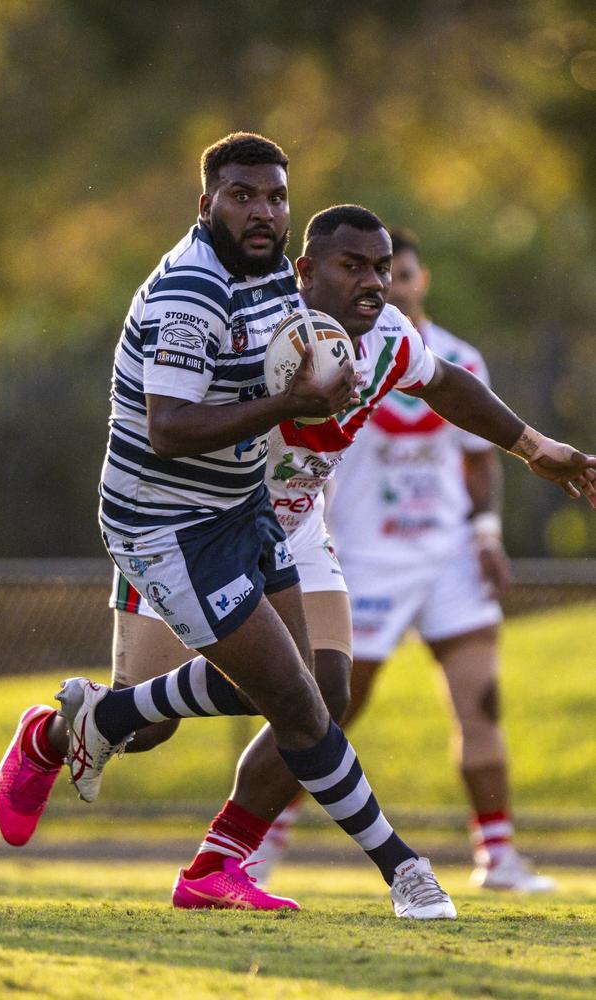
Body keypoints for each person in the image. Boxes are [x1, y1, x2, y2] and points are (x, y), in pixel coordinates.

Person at [0, 191, 595, 915]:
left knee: (322, 696)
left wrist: (535, 448)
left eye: (381, 268)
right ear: (305, 270)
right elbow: (172, 419)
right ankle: (55, 735)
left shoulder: (388, 337)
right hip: (188, 528)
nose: (374, 282)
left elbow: (445, 385)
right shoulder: (254, 324)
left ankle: (216, 864)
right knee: (152, 726)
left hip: (294, 531)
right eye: (352, 266)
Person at [254, 227, 557, 892]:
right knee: (325, 709)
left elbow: (479, 460)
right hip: (366, 556)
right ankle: (259, 842)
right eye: (371, 270)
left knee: (482, 700)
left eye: (400, 273)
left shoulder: (456, 357)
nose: (388, 284)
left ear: (417, 282)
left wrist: (484, 532)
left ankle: (498, 855)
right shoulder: (324, 351)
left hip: (448, 557)